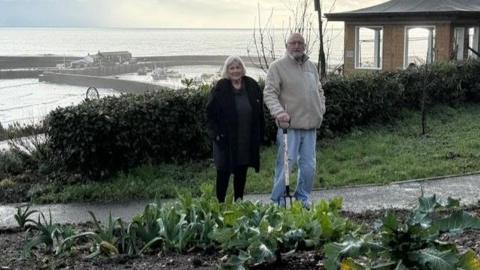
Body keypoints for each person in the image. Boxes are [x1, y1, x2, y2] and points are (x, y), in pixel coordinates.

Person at [263, 33, 326, 209]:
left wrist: (321, 109)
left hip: (311, 125)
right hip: (288, 126)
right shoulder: (277, 67)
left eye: (300, 43)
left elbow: (319, 90)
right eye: (293, 43)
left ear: (304, 46)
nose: (296, 46)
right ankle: (279, 199)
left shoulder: (311, 67)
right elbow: (269, 93)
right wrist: (278, 112)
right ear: (287, 45)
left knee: (309, 166)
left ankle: (303, 197)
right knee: (286, 164)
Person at [206, 55, 264, 203]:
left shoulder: (251, 85)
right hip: (224, 140)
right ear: (227, 70)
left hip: (245, 139)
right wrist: (216, 135)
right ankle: (219, 205)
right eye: (232, 68)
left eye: (238, 67)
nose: (235, 71)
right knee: (223, 173)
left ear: (242, 69)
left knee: (241, 172)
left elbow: (260, 111)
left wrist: (260, 134)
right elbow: (210, 113)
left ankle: (238, 203)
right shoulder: (220, 87)